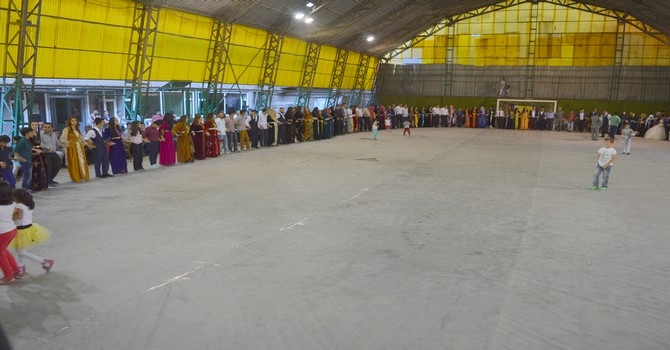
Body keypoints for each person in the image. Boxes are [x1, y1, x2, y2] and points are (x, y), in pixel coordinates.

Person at [10, 188, 53, 275]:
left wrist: (9, 216)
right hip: (28, 229)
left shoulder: (18, 206)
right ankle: (20, 266)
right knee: (20, 250)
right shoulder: (28, 205)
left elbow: (19, 216)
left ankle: (45, 262)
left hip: (22, 231)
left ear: (17, 198)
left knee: (21, 251)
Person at [59, 117, 90, 183]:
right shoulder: (66, 129)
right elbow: (62, 139)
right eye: (72, 121)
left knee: (81, 161)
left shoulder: (77, 129)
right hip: (72, 148)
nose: (74, 122)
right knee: (74, 162)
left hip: (79, 147)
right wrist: (68, 143)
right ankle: (76, 177)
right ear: (69, 122)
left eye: (75, 121)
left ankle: (83, 175)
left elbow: (81, 138)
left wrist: (86, 144)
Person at [0, 182, 20, 285]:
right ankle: (16, 270)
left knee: (1, 255)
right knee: (3, 252)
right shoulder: (12, 203)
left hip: (2, 233)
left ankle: (9, 276)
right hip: (12, 230)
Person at [29, 121, 49, 192]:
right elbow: (28, 145)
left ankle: (43, 185)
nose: (34, 126)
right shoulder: (28, 134)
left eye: (36, 125)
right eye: (33, 124)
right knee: (36, 169)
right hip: (33, 153)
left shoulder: (38, 133)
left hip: (40, 151)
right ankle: (36, 186)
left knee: (43, 168)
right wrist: (35, 150)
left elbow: (40, 144)